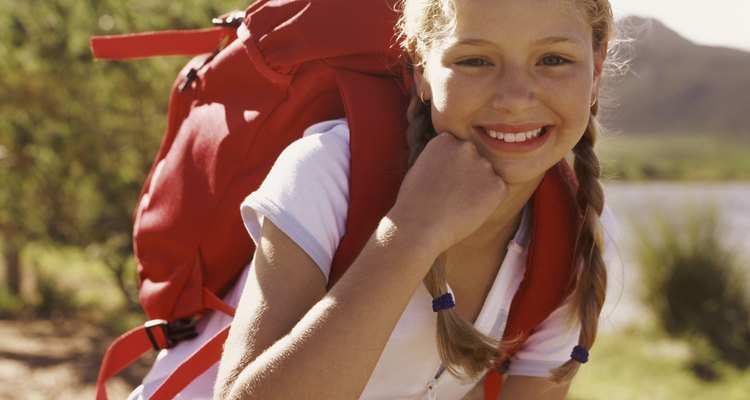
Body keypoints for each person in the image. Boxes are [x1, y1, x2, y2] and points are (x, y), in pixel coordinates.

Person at [131, 0, 620, 398]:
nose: (516, 97)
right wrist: (410, 234)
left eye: (554, 60)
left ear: (596, 72)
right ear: (423, 69)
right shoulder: (329, 172)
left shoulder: (577, 238)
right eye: (475, 60)